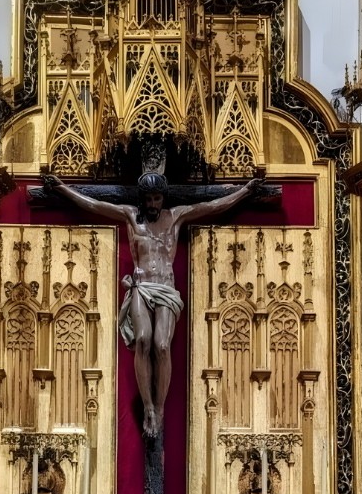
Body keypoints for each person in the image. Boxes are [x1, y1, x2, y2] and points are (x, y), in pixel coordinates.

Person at [44, 172, 263, 437]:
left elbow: (212, 206)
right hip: (142, 286)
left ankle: (159, 408)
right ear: (142, 199)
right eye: (148, 199)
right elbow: (94, 204)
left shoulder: (176, 216)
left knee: (162, 345)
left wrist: (245, 191)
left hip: (166, 289)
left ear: (163, 198)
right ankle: (148, 406)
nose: (152, 204)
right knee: (143, 340)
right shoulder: (130, 215)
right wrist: (63, 189)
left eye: (157, 198)